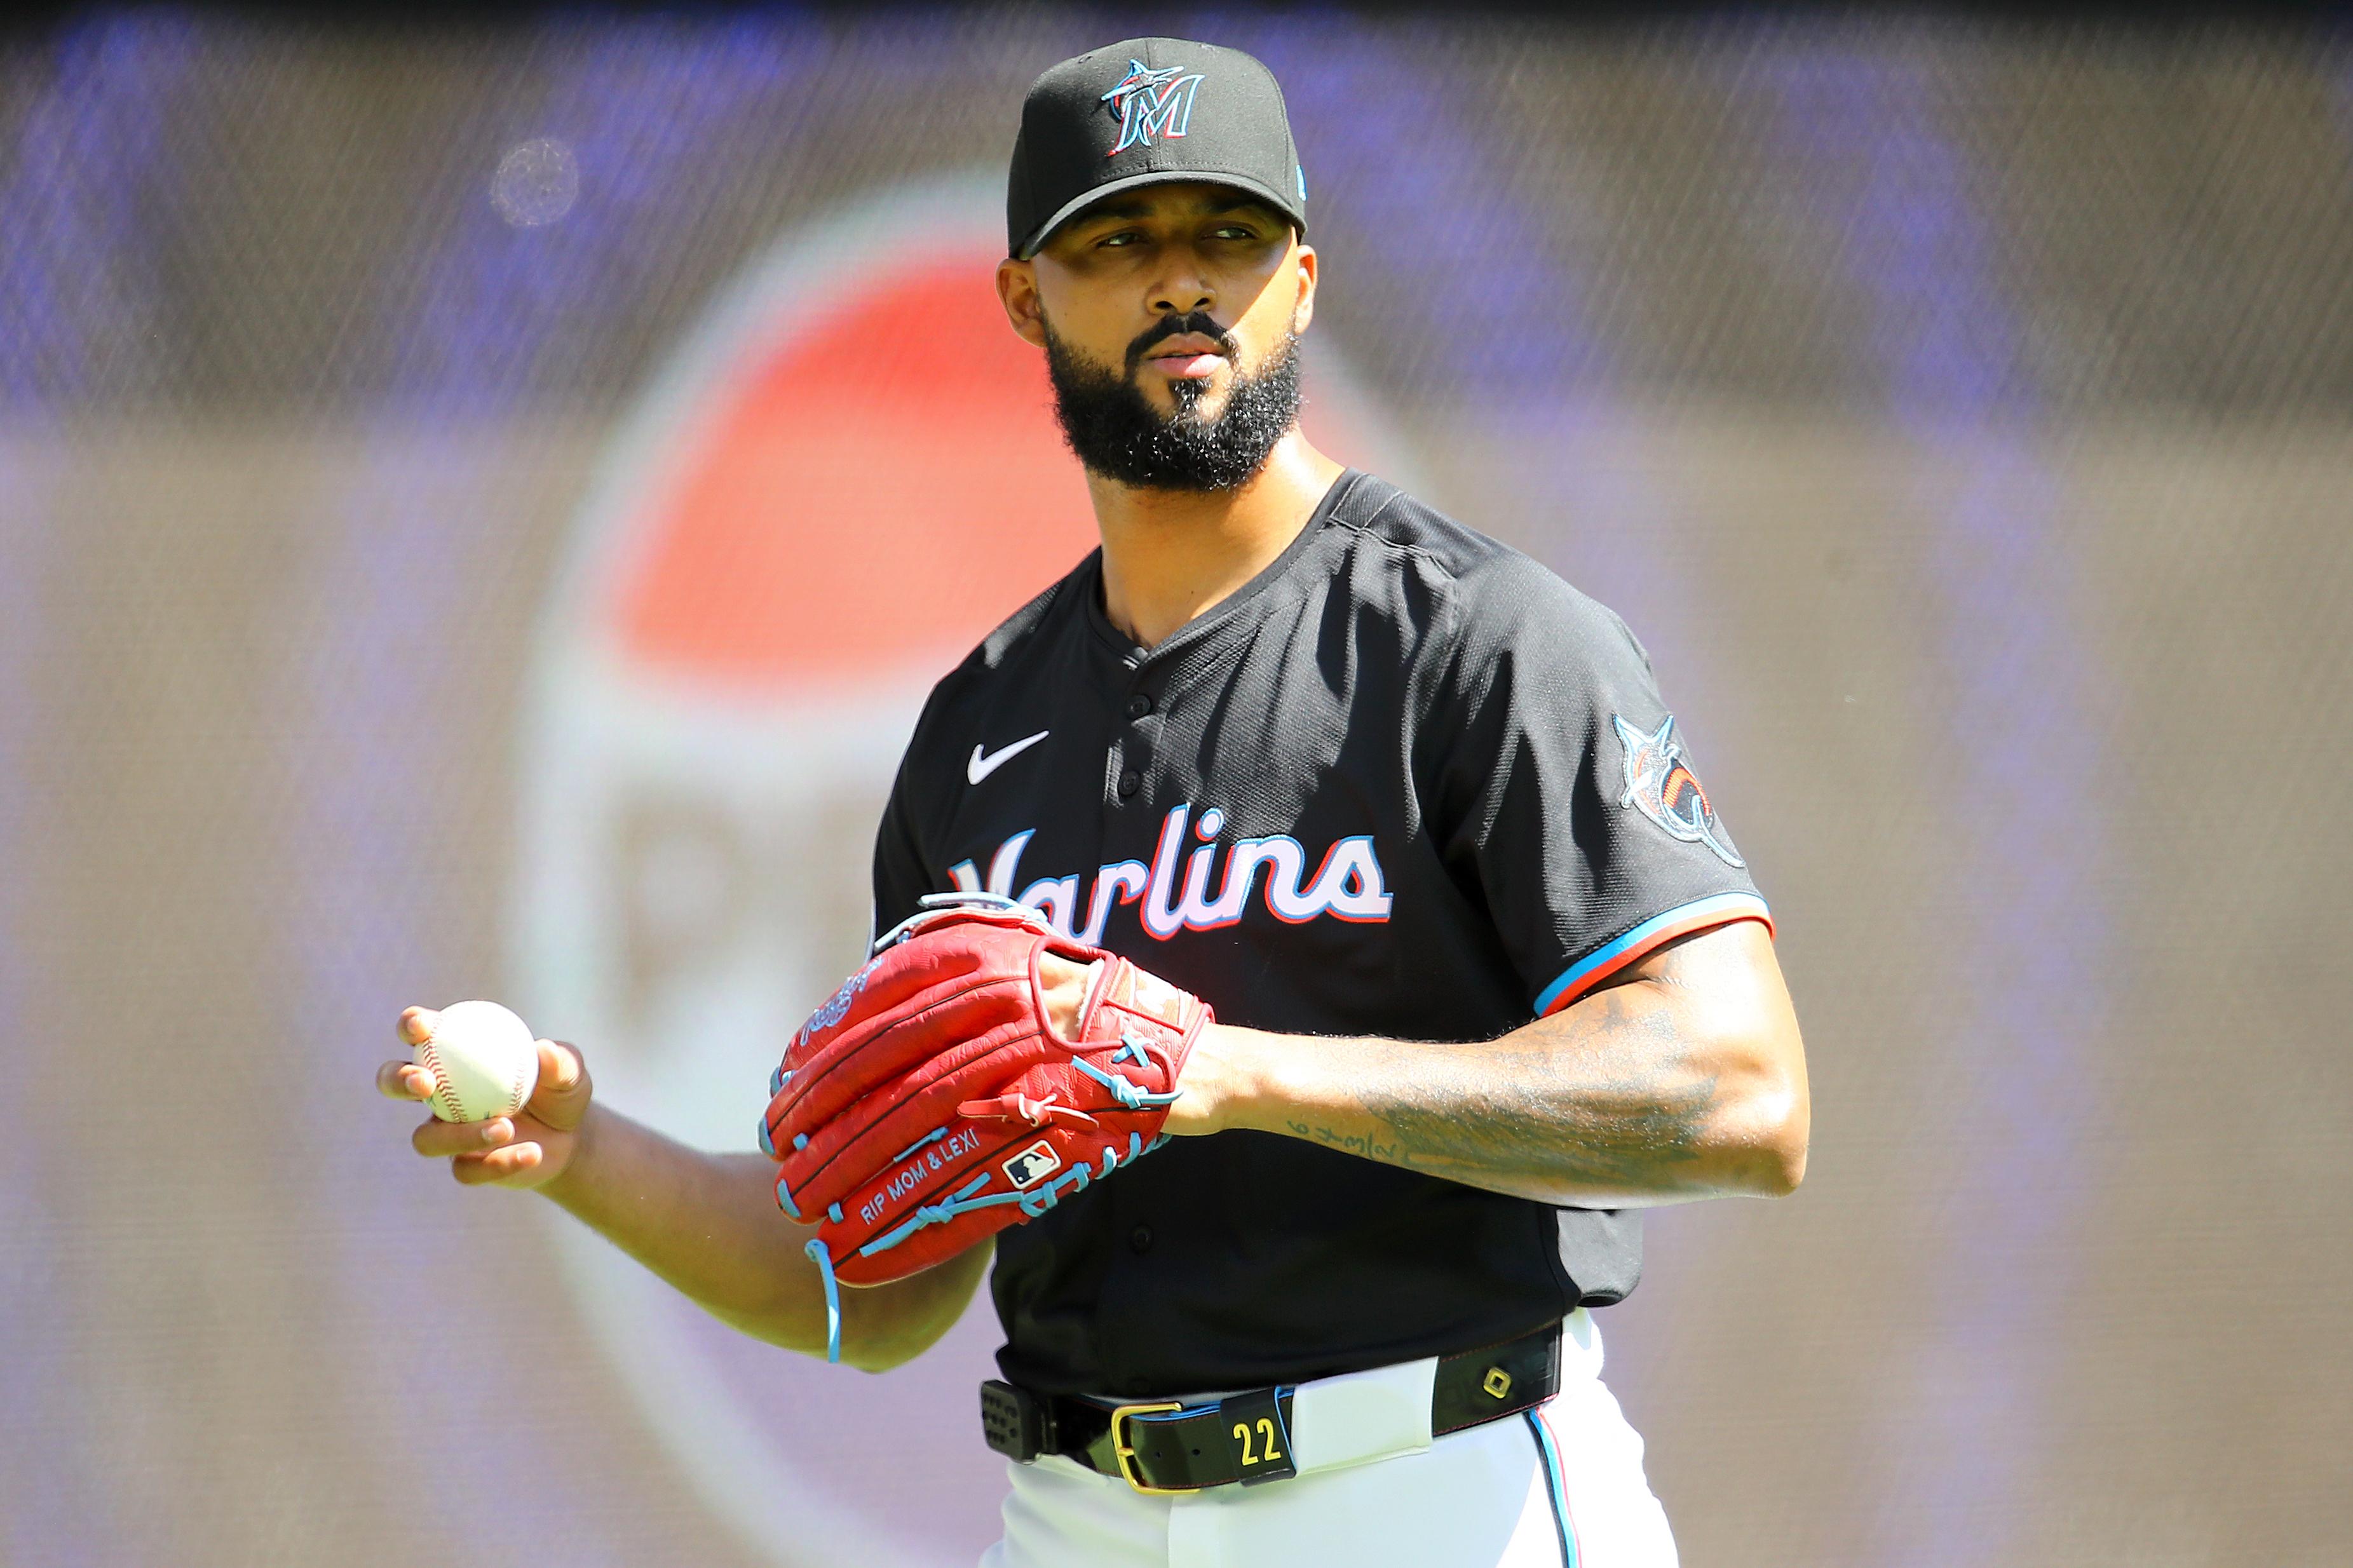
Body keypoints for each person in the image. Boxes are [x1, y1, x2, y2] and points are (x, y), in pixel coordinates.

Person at [378, 36, 1808, 1567]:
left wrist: (1233, 1073)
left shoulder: (1482, 642)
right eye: (1119, 241)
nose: (1181, 282)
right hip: (1081, 1517)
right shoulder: (982, 730)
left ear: (1303, 279)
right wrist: (591, 1153)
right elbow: (874, 1285)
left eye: (1227, 237)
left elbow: (1737, 1093)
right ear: (1023, 297)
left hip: (1439, 1487)